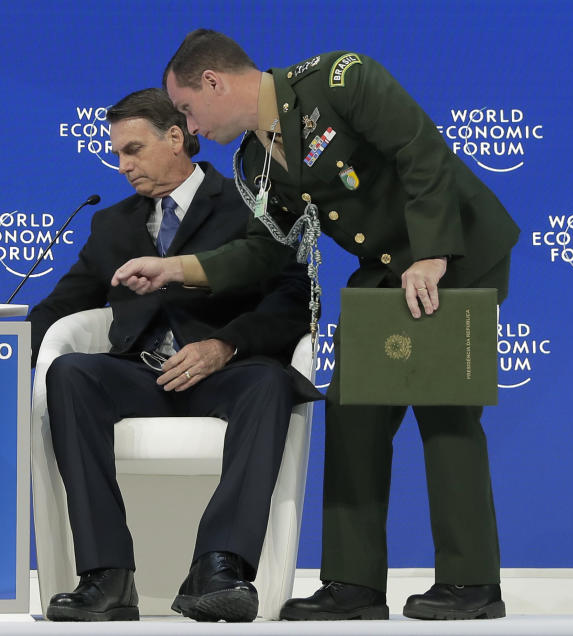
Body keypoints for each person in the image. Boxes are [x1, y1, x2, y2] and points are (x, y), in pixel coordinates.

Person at [111, 30, 520, 621]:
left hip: (453, 249)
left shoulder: (342, 80)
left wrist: (432, 254)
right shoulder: (252, 161)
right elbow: (263, 251)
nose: (190, 128)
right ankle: (353, 587)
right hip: (383, 268)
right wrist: (175, 267)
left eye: (187, 111)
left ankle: (471, 584)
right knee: (352, 410)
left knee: (445, 411)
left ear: (214, 82)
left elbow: (421, 151)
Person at [29, 87, 319, 622]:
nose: (122, 166)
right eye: (117, 154)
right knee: (69, 372)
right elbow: (61, 307)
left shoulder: (250, 203)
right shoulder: (112, 223)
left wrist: (225, 343)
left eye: (133, 150)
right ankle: (107, 576)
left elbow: (293, 300)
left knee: (270, 383)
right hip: (140, 375)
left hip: (225, 372)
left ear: (177, 137)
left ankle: (219, 566)